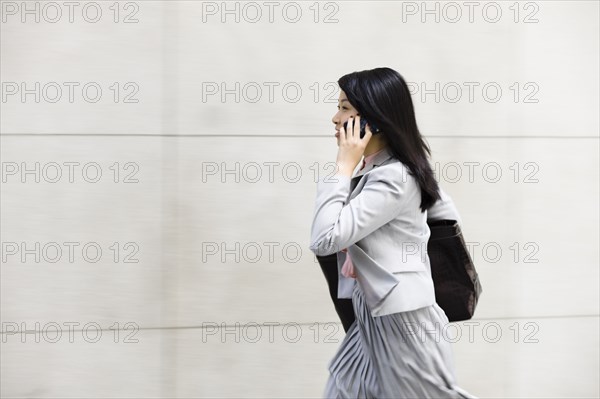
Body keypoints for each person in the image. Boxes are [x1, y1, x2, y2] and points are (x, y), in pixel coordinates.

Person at [309, 67, 476, 398]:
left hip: (402, 319)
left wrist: (342, 166)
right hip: (373, 313)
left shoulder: (394, 178)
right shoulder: (381, 171)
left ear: (372, 120)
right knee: (345, 390)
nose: (334, 118)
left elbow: (325, 238)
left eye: (344, 108)